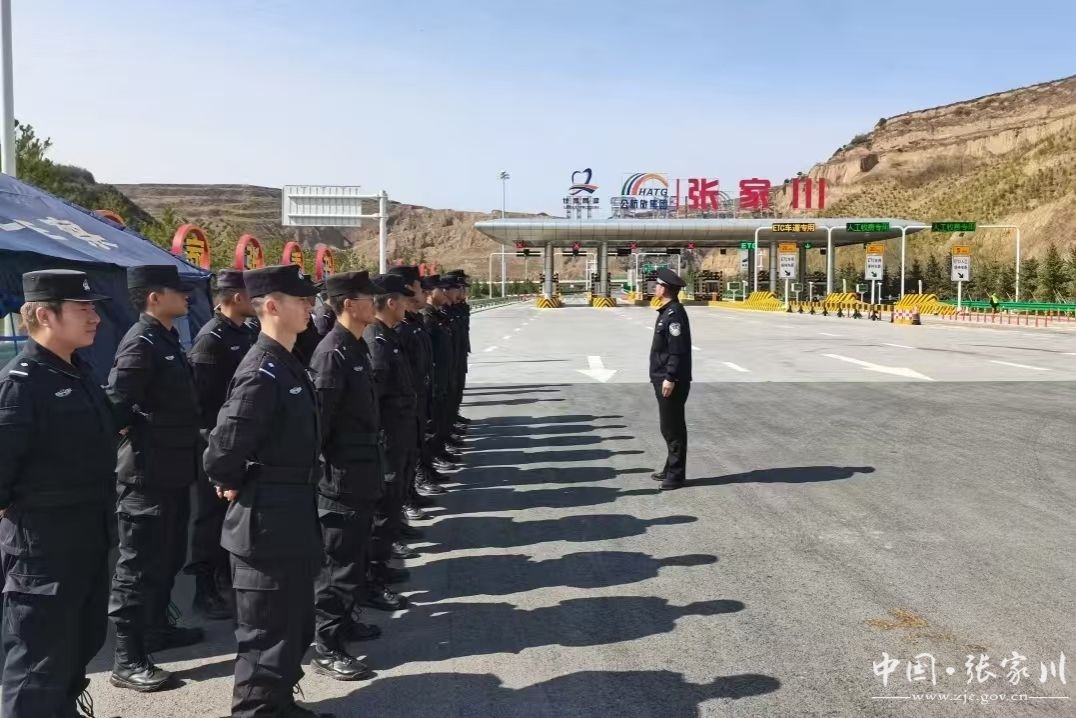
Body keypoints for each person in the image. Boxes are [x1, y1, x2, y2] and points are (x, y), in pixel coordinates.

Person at [203, 264, 330, 718]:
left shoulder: (286, 362)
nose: (310, 306)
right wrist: (235, 481)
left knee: (292, 623)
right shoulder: (261, 369)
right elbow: (222, 451)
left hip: (291, 513)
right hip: (265, 521)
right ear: (272, 306)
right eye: (301, 300)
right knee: (265, 632)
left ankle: (278, 703)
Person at [0, 270, 118, 718]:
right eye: (82, 309)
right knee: (37, 664)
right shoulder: (21, 383)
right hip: (43, 548)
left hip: (87, 536)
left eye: (93, 308)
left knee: (77, 646)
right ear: (45, 315)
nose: (95, 318)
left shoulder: (78, 371)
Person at [107, 265, 203, 692]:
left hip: (173, 469)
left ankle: (156, 628)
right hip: (146, 474)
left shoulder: (165, 338)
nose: (187, 297)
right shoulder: (140, 342)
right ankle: (127, 658)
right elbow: (117, 404)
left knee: (167, 556)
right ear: (154, 297)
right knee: (137, 566)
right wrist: (135, 431)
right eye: (177, 291)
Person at [308, 271, 386, 682]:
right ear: (349, 305)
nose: (375, 304)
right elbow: (320, 426)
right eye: (368, 298)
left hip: (361, 472)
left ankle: (345, 624)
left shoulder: (353, 346)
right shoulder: (332, 353)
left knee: (352, 559)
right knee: (336, 565)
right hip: (340, 479)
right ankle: (327, 646)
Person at [185, 269, 255, 620]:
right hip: (214, 440)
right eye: (251, 294)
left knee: (233, 514)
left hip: (239, 439)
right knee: (210, 518)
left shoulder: (245, 332)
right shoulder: (210, 339)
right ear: (237, 297)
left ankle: (227, 577)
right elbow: (203, 402)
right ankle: (204, 590)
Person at [361, 273, 418, 612]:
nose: (409, 304)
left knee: (391, 502)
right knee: (381, 511)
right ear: (392, 302)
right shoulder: (375, 340)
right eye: (405, 299)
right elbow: (375, 401)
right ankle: (372, 576)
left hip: (399, 433)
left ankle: (379, 567)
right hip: (386, 439)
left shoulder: (388, 335)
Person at [649, 267, 692, 491]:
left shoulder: (674, 314)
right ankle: (670, 468)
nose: (655, 287)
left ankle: (676, 475)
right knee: (668, 426)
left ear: (665, 289)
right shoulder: (667, 311)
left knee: (672, 428)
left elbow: (677, 349)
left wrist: (670, 377)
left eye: (657, 285)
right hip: (663, 376)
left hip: (671, 380)